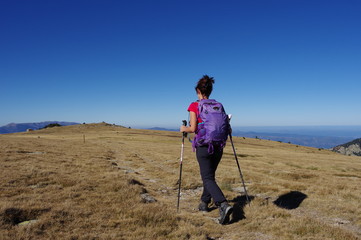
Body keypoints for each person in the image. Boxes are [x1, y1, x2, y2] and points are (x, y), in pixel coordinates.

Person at [180, 75, 233, 225]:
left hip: (203, 146)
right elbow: (228, 127)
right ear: (210, 90)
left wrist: (183, 128)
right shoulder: (219, 105)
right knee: (210, 176)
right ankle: (204, 203)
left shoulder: (194, 105)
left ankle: (223, 204)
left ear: (198, 90)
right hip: (218, 146)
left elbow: (192, 128)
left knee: (207, 178)